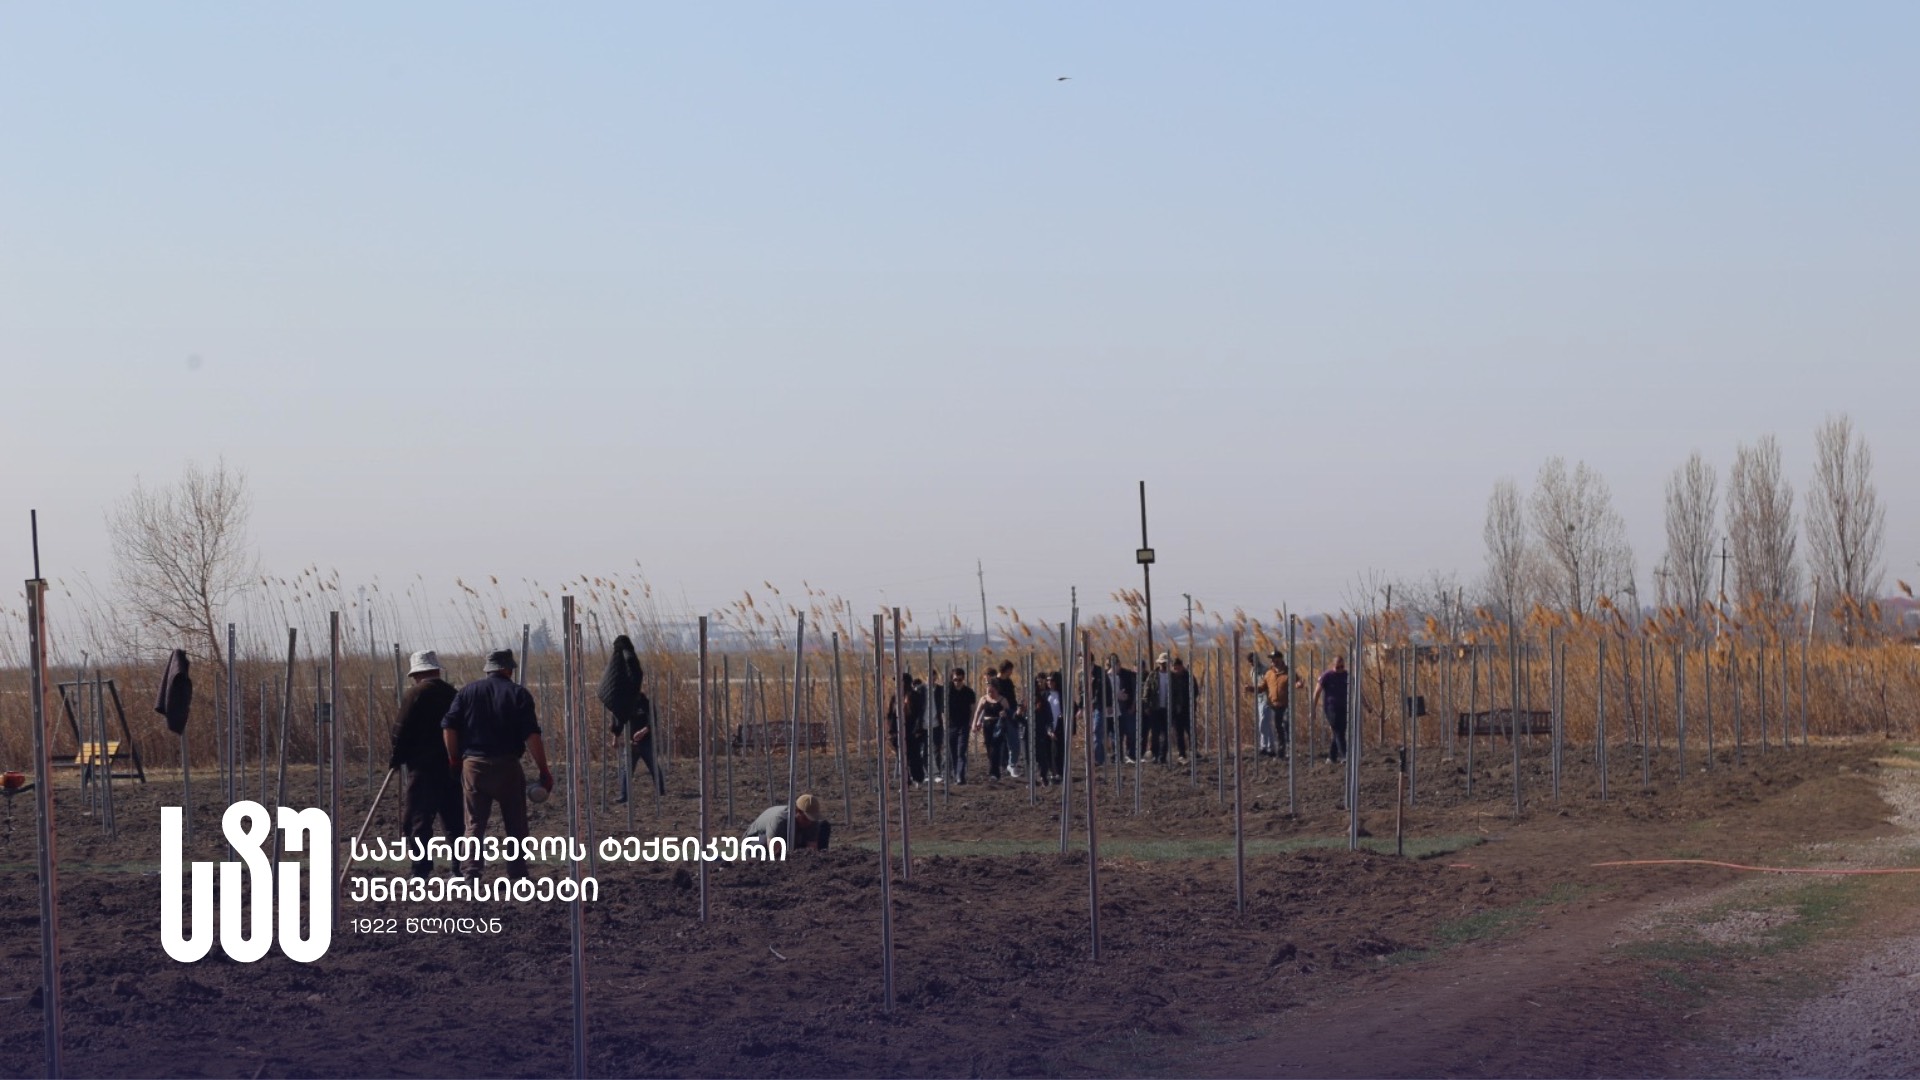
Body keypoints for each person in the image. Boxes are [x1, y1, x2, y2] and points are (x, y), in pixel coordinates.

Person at [441, 649, 553, 878]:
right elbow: (532, 735)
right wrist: (543, 769)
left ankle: (471, 873)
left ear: (488, 669)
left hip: (473, 766)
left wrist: (454, 758)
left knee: (473, 824)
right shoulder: (518, 694)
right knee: (515, 824)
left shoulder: (466, 692)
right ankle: (517, 874)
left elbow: (449, 727)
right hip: (507, 766)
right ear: (508, 669)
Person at [389, 650, 460, 877]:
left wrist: (396, 757)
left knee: (417, 819)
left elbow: (401, 729)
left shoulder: (416, 694)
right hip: (451, 765)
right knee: (454, 820)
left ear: (416, 674)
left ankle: (421, 868)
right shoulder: (453, 694)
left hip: (423, 767)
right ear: (436, 670)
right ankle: (459, 868)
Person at [599, 635, 661, 802]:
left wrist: (644, 730)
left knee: (653, 766)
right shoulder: (622, 702)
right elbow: (617, 716)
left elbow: (653, 719)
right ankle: (624, 795)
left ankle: (661, 792)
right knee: (626, 769)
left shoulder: (642, 701)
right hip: (629, 739)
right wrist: (615, 736)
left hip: (644, 739)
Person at [744, 792, 831, 850]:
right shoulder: (780, 820)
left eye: (811, 819)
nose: (809, 822)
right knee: (762, 845)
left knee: (823, 826)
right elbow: (774, 850)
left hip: (787, 841)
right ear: (797, 811)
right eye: (806, 818)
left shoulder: (812, 822)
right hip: (754, 843)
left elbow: (812, 849)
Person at [885, 672, 928, 785]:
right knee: (902, 756)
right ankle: (906, 779)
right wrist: (891, 730)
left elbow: (920, 714)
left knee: (914, 756)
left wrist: (918, 729)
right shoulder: (895, 697)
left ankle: (918, 778)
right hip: (898, 731)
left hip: (912, 731)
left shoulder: (915, 696)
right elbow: (890, 715)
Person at [936, 667, 977, 785]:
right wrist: (944, 723)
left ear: (963, 678)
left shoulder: (969, 692)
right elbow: (943, 710)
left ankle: (960, 776)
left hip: (964, 725)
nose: (958, 682)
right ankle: (955, 773)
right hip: (950, 725)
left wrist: (971, 722)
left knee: (961, 750)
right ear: (951, 679)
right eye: (955, 680)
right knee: (952, 751)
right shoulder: (947, 692)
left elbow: (972, 709)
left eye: (960, 679)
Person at [1251, 649, 1294, 758]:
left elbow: (1297, 681)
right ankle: (1281, 752)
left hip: (1286, 705)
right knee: (1278, 728)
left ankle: (1289, 749)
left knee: (1286, 726)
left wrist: (1298, 684)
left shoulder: (1289, 672)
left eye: (1275, 659)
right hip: (1274, 706)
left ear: (1280, 659)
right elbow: (1262, 687)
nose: (1273, 661)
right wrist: (1252, 688)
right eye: (1272, 659)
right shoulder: (1269, 673)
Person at [1313, 655, 1352, 764]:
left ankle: (1331, 757)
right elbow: (1316, 693)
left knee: (1340, 732)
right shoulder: (1327, 676)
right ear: (1333, 666)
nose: (1340, 669)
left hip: (1344, 708)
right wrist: (1313, 709)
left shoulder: (1347, 675)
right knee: (1338, 731)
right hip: (1331, 708)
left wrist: (1367, 705)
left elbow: (1357, 690)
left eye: (1342, 666)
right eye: (1338, 667)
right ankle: (1345, 756)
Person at [972, 678, 1013, 780]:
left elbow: (1010, 714)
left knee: (996, 748)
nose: (990, 693)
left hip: (998, 725)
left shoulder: (1002, 700)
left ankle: (993, 773)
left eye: (992, 691)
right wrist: (975, 723)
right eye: (988, 691)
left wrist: (1005, 713)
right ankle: (995, 770)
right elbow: (977, 712)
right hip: (987, 725)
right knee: (989, 747)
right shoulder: (984, 699)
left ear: (997, 690)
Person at [1105, 654, 1139, 764]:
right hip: (1113, 710)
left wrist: (1133, 705)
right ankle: (1116, 756)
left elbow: (1134, 691)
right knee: (1115, 734)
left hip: (1126, 708)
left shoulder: (1127, 675)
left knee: (1130, 732)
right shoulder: (1106, 677)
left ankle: (1130, 754)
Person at [993, 660, 1024, 779]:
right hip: (999, 716)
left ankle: (1012, 765)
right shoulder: (995, 682)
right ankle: (997, 767)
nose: (1012, 672)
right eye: (1011, 670)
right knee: (997, 743)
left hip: (1011, 714)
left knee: (1014, 743)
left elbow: (1012, 698)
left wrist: (1017, 710)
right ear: (1006, 669)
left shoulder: (1009, 682)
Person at [1166, 656, 1199, 764]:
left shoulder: (1189, 677)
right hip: (1175, 710)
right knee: (1178, 732)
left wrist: (1188, 701)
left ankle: (1194, 751)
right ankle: (1181, 753)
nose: (1176, 670)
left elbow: (1196, 691)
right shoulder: (1170, 678)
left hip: (1187, 708)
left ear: (1181, 667)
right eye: (1174, 668)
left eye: (1177, 668)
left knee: (1191, 731)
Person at [1145, 652, 1173, 764]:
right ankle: (1155, 755)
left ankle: (1163, 756)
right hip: (1155, 708)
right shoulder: (1153, 675)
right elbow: (1146, 691)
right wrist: (1146, 705)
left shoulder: (1172, 676)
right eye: (1163, 663)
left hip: (1167, 708)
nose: (1164, 665)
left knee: (1166, 734)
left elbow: (1176, 693)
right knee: (1155, 733)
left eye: (1166, 663)